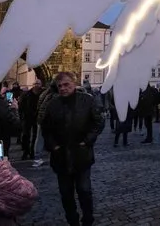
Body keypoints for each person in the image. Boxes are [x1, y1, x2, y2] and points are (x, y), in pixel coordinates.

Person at [41, 72, 104, 226]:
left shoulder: (87, 100)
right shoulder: (52, 104)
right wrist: (53, 146)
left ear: (74, 84)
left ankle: (88, 219)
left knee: (84, 191)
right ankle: (73, 221)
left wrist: (87, 141)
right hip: (61, 156)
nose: (63, 88)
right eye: (60, 86)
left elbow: (98, 123)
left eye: (66, 84)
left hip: (81, 155)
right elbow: (45, 129)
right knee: (66, 194)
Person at [19, 79, 43, 160]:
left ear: (41, 85)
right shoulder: (27, 94)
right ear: (33, 85)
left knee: (35, 136)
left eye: (38, 84)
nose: (37, 85)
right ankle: (26, 151)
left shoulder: (42, 94)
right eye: (35, 83)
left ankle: (33, 151)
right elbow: (21, 106)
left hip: (37, 117)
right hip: (27, 117)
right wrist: (21, 116)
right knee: (26, 135)